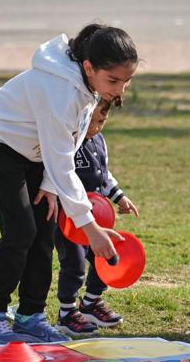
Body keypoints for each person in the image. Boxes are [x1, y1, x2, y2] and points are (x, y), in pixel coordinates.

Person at [0, 24, 136, 346]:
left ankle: (30, 316)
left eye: (126, 80)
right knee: (20, 232)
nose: (120, 90)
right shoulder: (59, 90)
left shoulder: (88, 86)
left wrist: (48, 184)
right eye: (113, 81)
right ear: (89, 67)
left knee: (43, 233)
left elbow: (70, 141)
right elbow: (61, 160)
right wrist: (90, 228)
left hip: (37, 151)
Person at [55, 96, 140, 336]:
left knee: (106, 257)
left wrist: (120, 197)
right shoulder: (68, 143)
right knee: (74, 264)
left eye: (102, 121)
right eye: (92, 121)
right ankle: (66, 313)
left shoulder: (99, 141)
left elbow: (105, 175)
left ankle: (91, 302)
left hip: (98, 220)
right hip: (70, 220)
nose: (97, 127)